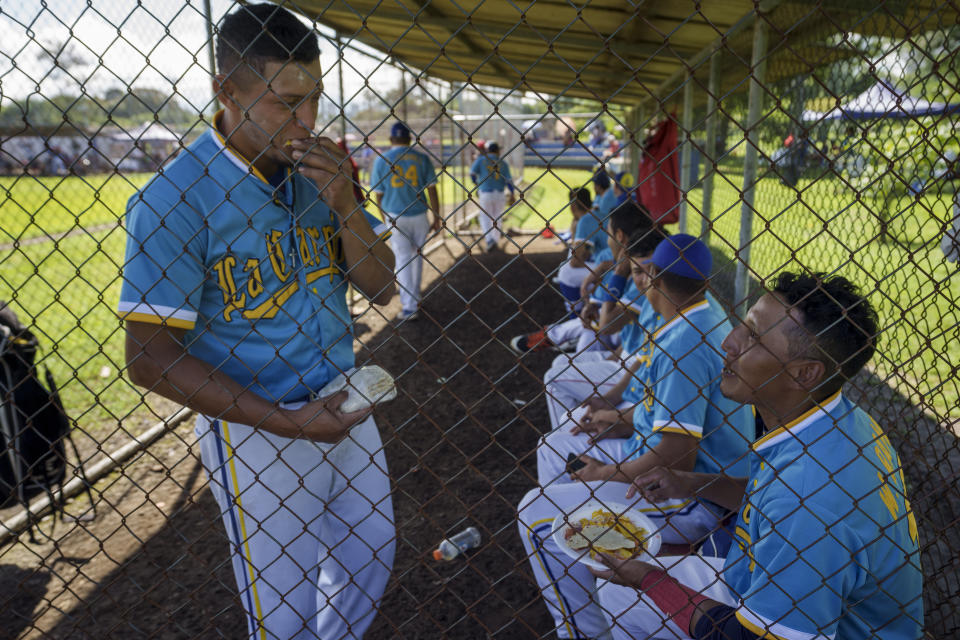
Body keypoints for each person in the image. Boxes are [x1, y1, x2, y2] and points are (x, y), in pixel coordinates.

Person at [117, 5, 397, 638]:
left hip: (343, 394)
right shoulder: (174, 198)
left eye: (315, 100)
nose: (306, 121)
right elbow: (148, 359)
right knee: (284, 607)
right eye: (284, 102)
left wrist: (347, 204)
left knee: (370, 554)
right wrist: (288, 422)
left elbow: (382, 288)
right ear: (227, 92)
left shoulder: (321, 173)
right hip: (257, 423)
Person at [592, 272, 922, 640]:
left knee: (625, 585)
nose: (729, 342)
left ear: (804, 373)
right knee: (614, 588)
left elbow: (749, 637)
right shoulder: (841, 419)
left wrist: (651, 580)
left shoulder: (810, 497)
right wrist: (694, 483)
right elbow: (771, 501)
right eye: (741, 326)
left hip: (787, 629)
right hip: (762, 581)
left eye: (753, 336)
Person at [517, 234, 753, 639]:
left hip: (694, 498)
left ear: (655, 278)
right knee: (554, 449)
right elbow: (656, 414)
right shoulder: (696, 312)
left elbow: (676, 460)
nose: (640, 279)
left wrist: (605, 473)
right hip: (657, 462)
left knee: (534, 515)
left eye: (646, 273)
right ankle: (580, 560)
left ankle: (586, 630)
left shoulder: (687, 341)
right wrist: (613, 418)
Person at [508, 201, 650, 355]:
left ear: (620, 236)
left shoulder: (645, 270)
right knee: (583, 345)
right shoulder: (610, 258)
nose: (607, 241)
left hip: (624, 336)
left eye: (609, 235)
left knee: (568, 274)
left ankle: (553, 335)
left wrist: (618, 273)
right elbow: (600, 305)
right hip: (611, 332)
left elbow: (607, 323)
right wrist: (593, 306)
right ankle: (558, 336)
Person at [370, 121, 441, 321]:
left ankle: (409, 306)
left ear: (391, 139)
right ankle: (415, 299)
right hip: (419, 215)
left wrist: (384, 219)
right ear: (410, 139)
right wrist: (436, 217)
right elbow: (432, 189)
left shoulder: (382, 159)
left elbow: (379, 195)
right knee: (417, 258)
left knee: (402, 260)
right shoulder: (421, 158)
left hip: (395, 216)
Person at [469, 141, 516, 252]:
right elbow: (509, 181)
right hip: (500, 194)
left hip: (485, 193)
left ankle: (489, 240)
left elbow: (472, 174)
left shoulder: (481, 160)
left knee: (485, 217)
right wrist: (512, 193)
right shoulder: (503, 163)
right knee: (497, 217)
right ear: (497, 151)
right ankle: (495, 240)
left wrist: (476, 184)